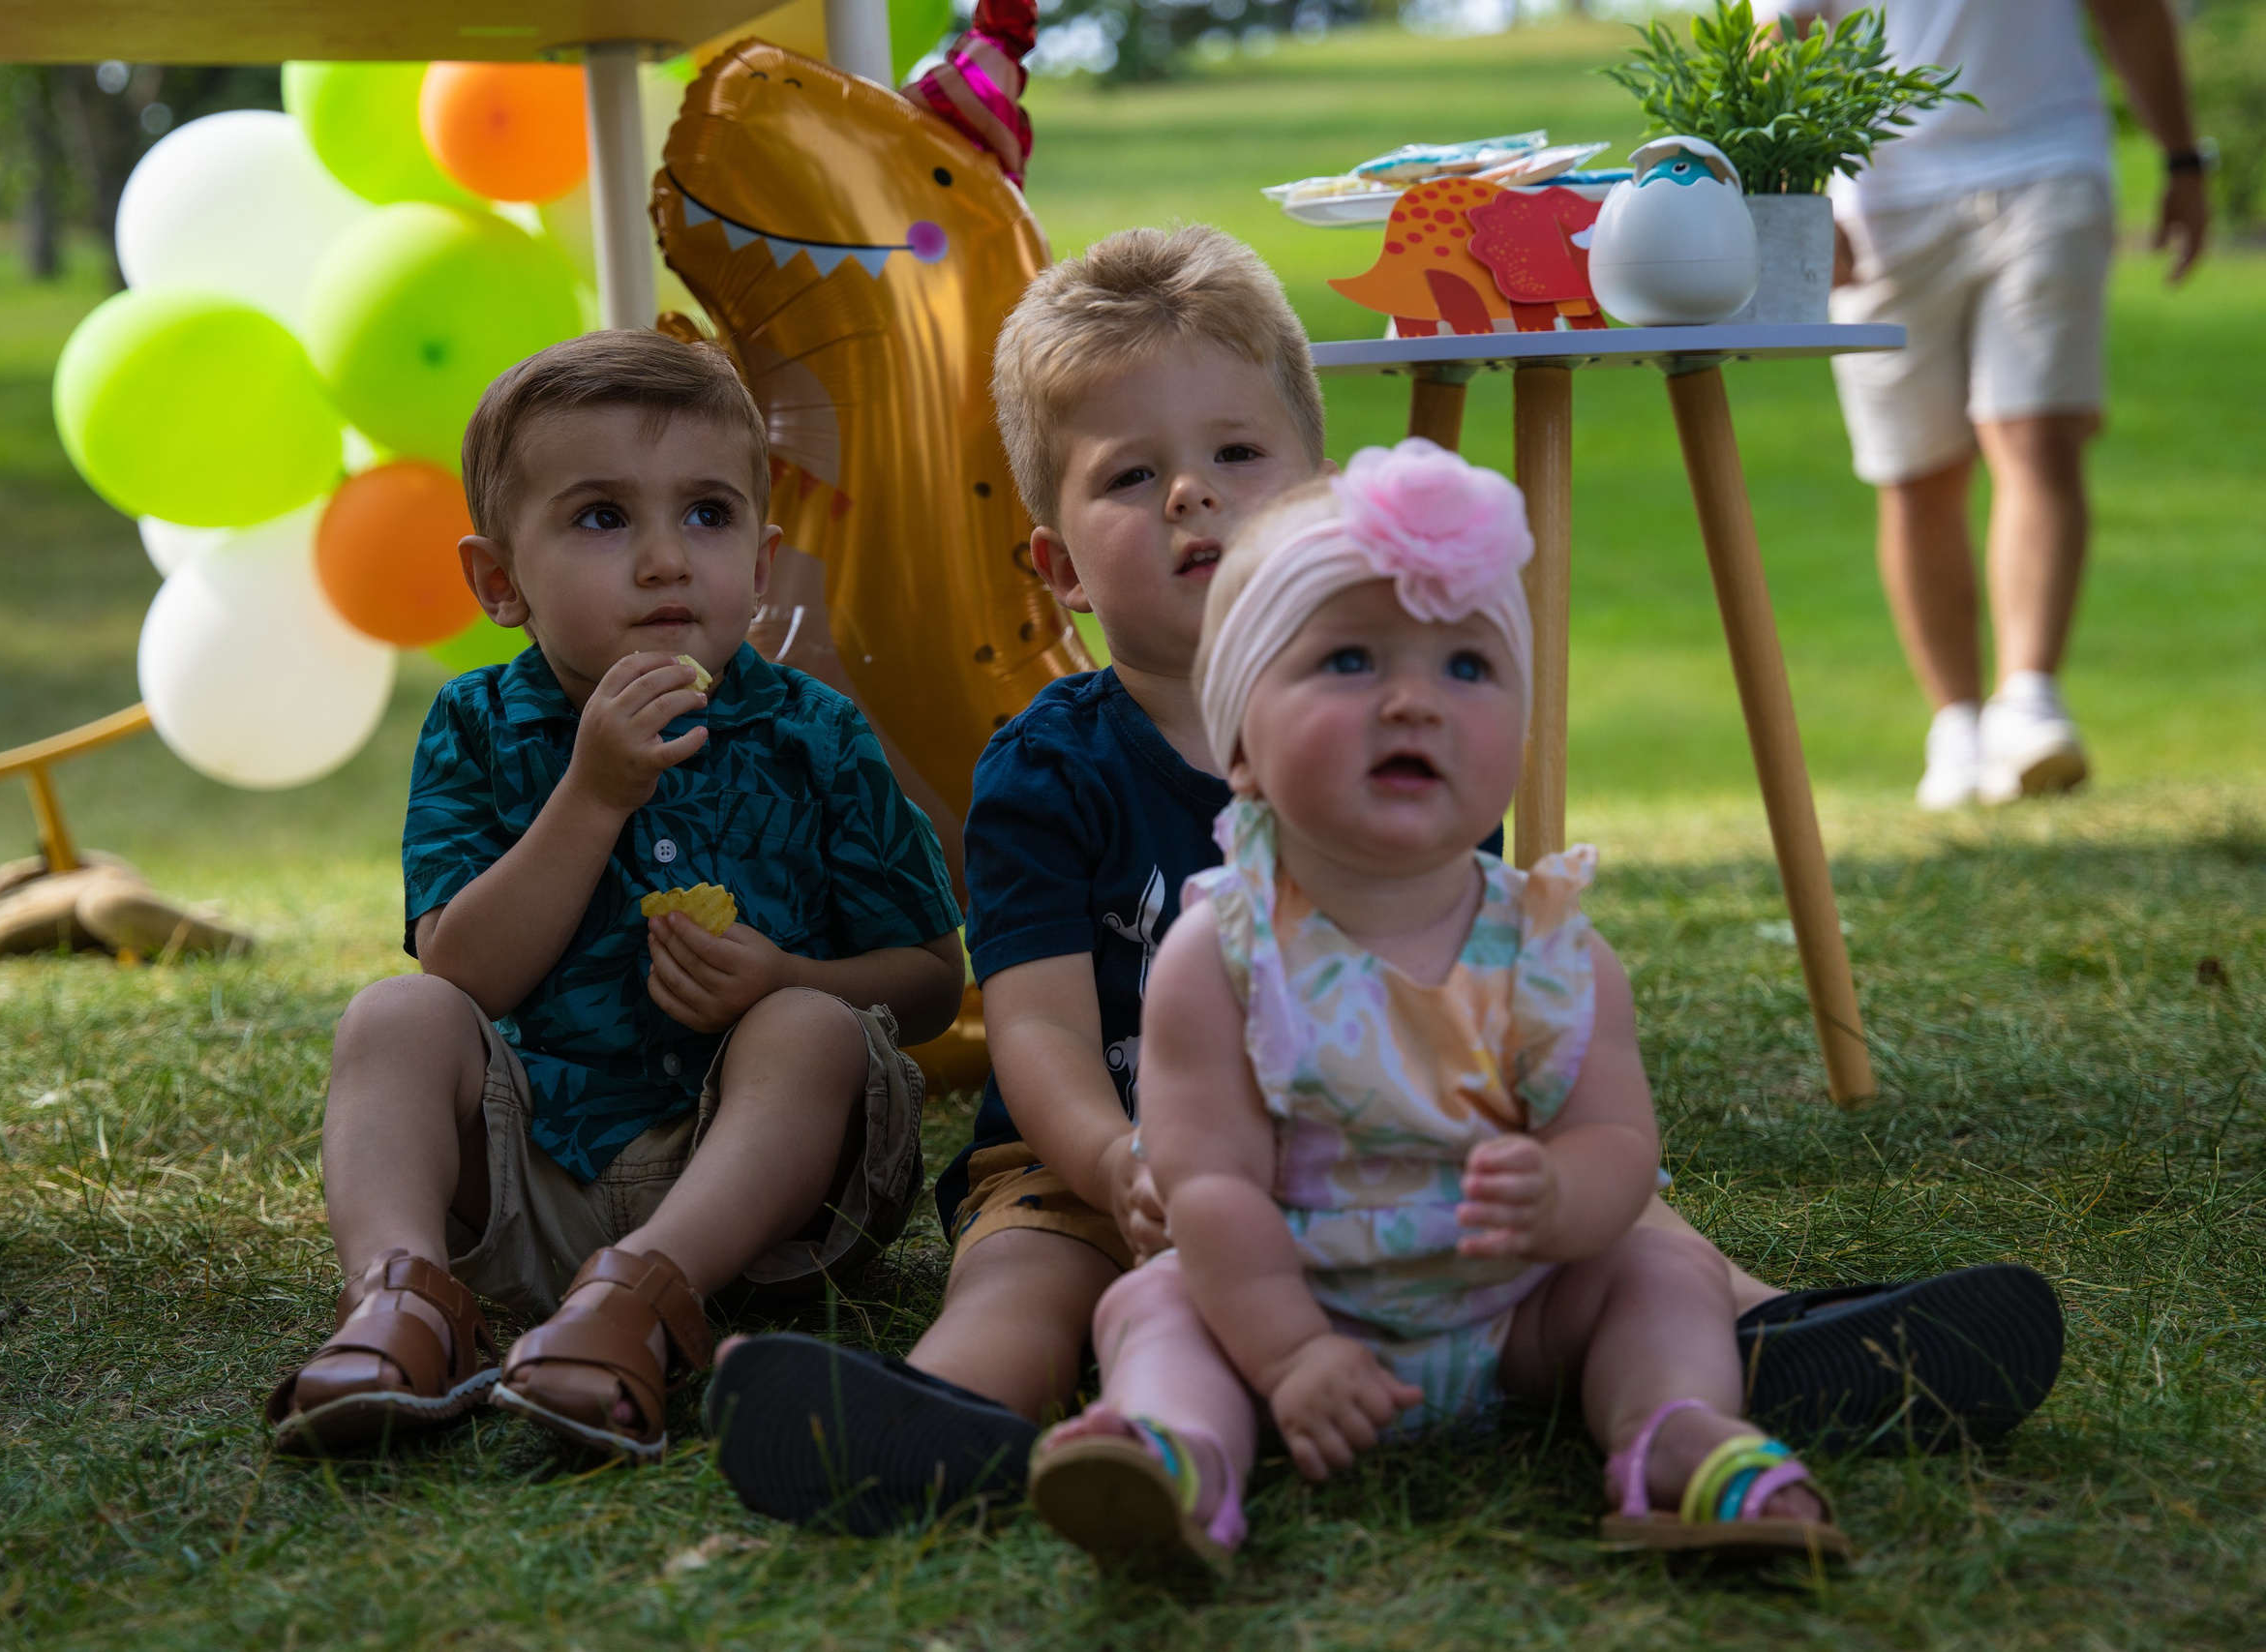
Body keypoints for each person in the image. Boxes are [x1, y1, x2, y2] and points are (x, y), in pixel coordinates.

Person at [704, 227, 2065, 1532]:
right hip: (1117, 1159)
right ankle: (948, 1414)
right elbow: (1044, 1026)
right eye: (1129, 476)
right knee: (1033, 1263)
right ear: (1054, 566)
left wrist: (1533, 1166)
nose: (1190, 492)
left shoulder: (1399, 735)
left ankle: (1766, 1338)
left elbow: (1467, 982)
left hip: (1396, 1149)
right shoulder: (1048, 765)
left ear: (1318, 496)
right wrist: (1116, 1155)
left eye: (1236, 451)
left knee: (1626, 1217)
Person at [1028, 443, 1849, 1571]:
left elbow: (1616, 1139)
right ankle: (1180, 1456)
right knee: (1155, 1309)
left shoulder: (1558, 952)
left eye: (1467, 668)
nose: (1414, 700)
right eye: (1352, 660)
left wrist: (1562, 1197)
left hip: (1512, 1317)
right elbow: (1206, 1183)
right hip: (1281, 1307)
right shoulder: (1220, 955)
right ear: (1241, 749)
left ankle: (1675, 1435)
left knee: (1665, 1272)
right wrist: (1289, 1355)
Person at [263, 330, 966, 1459]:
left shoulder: (817, 734)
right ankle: (400, 1301)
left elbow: (932, 984)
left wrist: (789, 979)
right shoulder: (476, 728)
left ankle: (642, 1303)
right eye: (602, 518)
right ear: (499, 581)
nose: (664, 561)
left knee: (805, 1027)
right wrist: (591, 795)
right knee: (395, 1015)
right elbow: (466, 971)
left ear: (762, 558)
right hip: (525, 1182)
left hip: (763, 1199)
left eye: (706, 514)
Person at [1761, 0, 2211, 808]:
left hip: (2048, 164)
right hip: (1883, 201)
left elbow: (2131, 10)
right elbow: (1785, 33)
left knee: (2037, 437)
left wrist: (2183, 160)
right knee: (1915, 475)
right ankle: (1958, 727)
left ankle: (2029, 699)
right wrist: (1797, 194)